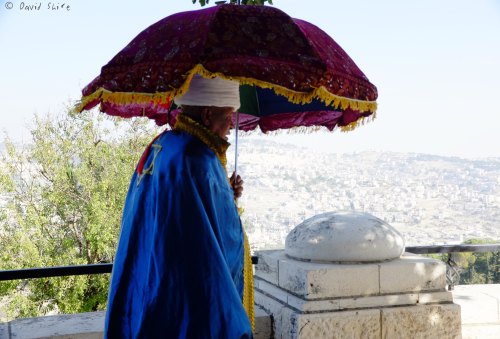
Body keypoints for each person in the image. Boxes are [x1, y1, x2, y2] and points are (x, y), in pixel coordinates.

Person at [105, 74, 253, 338]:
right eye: (228, 117)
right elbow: (218, 234)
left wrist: (224, 193)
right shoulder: (198, 158)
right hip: (186, 291)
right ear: (208, 114)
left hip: (152, 276)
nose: (231, 127)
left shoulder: (163, 144)